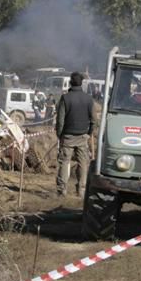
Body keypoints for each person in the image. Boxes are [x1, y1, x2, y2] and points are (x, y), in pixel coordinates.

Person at [56, 71, 95, 199]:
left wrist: (59, 134)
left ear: (71, 82)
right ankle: (81, 191)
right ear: (81, 83)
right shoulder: (89, 99)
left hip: (67, 136)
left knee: (64, 162)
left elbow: (60, 120)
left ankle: (62, 191)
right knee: (83, 163)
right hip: (83, 136)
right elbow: (94, 119)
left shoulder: (65, 98)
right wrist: (89, 133)